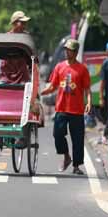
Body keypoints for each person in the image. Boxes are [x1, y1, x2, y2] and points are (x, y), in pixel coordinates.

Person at [41, 39, 91, 175]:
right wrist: (40, 92)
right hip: (62, 108)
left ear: (75, 52)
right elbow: (52, 86)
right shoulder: (59, 67)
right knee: (57, 134)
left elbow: (87, 89)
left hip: (77, 110)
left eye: (69, 50)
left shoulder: (82, 69)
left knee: (77, 139)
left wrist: (89, 103)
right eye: (66, 49)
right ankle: (66, 156)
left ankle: (76, 166)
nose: (66, 52)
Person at [0, 10, 32, 84]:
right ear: (14, 23)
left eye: (25, 23)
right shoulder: (6, 38)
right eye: (22, 23)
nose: (24, 26)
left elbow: (32, 60)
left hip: (23, 78)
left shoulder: (26, 38)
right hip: (6, 77)